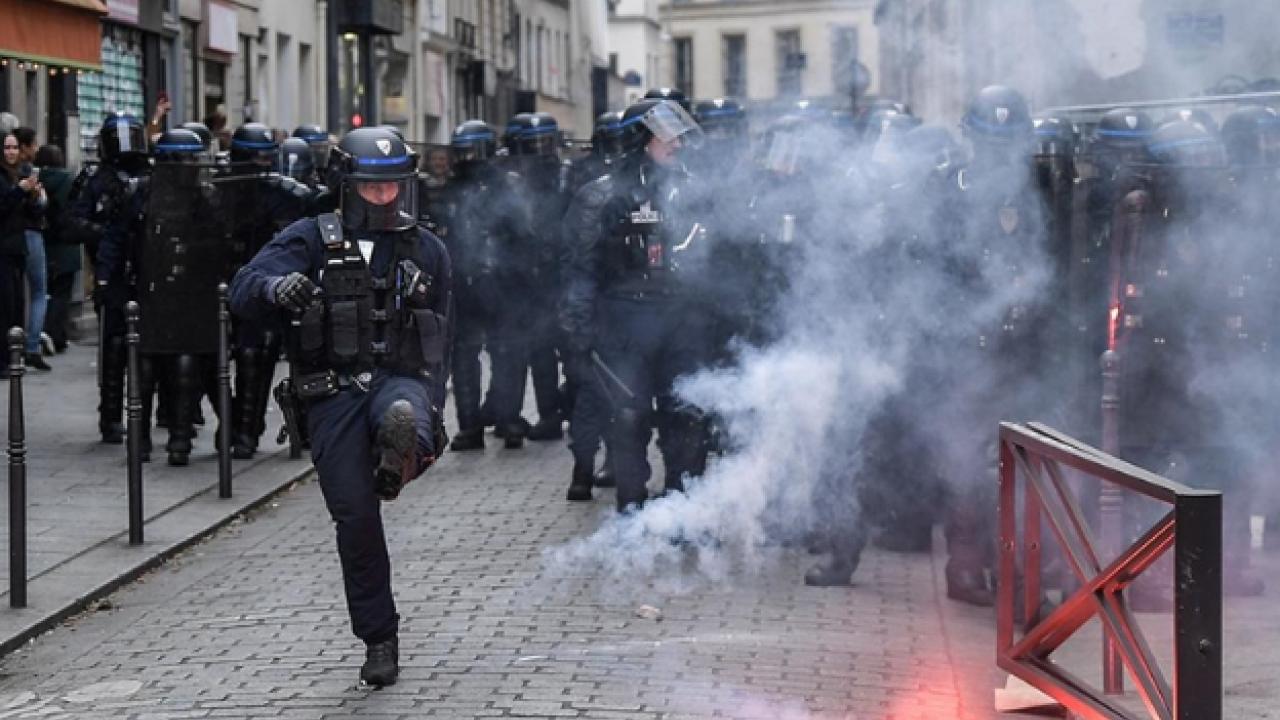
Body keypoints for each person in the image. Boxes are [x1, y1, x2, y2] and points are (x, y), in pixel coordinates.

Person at [229, 127, 453, 686]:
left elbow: (449, 335)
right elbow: (244, 285)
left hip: (399, 381)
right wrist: (276, 288)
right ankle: (380, 637)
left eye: (393, 188)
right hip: (330, 393)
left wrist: (440, 408)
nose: (384, 199)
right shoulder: (307, 237)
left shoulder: (429, 248)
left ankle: (404, 450)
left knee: (405, 415)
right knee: (354, 516)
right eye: (373, 189)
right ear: (347, 186)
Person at [560, 98, 707, 510]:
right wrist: (578, 331)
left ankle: (682, 508)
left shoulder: (695, 189)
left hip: (682, 320)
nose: (676, 145)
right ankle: (631, 508)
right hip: (625, 320)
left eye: (678, 136)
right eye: (665, 136)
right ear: (640, 140)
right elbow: (579, 268)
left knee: (687, 415)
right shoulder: (601, 196)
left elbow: (720, 260)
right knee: (627, 417)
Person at [64, 112, 151, 443]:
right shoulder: (94, 180)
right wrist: (107, 235)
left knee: (153, 347)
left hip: (148, 271)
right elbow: (70, 223)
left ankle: (165, 413)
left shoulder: (149, 175)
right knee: (113, 346)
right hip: (110, 272)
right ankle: (111, 416)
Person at [0, 131, 44, 378]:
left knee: (17, 304)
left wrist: (32, 197)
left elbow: (30, 216)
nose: (11, 152)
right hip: (4, 249)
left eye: (14, 148)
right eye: (7, 148)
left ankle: (12, 357)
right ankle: (4, 360)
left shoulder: (17, 175)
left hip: (17, 248)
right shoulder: (5, 179)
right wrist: (19, 191)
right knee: (5, 306)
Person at [10, 127, 50, 370]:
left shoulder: (10, 172)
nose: (36, 149)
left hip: (15, 234)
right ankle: (32, 346)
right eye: (34, 144)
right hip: (30, 232)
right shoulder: (27, 172)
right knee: (38, 291)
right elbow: (40, 206)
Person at [36, 144, 77, 354]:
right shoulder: (67, 179)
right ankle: (54, 334)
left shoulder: (35, 179)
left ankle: (42, 331)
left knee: (43, 291)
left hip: (43, 240)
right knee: (62, 293)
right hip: (66, 244)